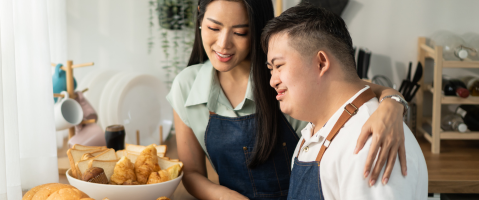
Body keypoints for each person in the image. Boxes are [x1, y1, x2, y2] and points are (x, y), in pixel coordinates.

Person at [166, 0, 409, 199]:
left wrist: (393, 104)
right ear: (199, 17)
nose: (223, 44)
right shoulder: (186, 87)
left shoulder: (284, 79)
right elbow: (191, 173)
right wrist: (225, 197)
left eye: (240, 32)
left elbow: (353, 88)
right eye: (213, 28)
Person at [261, 3, 428, 199]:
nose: (273, 80)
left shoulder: (371, 143)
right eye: (271, 69)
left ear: (321, 63)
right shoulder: (316, 131)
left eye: (279, 65)